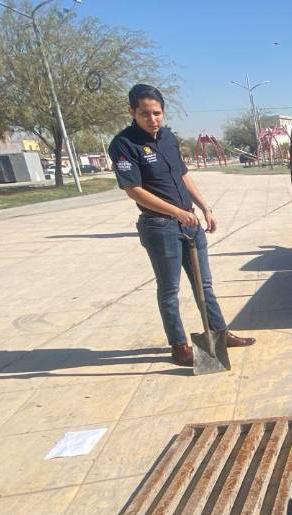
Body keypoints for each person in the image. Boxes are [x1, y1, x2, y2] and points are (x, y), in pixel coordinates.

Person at [108, 83, 254, 366]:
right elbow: (134, 190)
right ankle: (179, 346)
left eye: (157, 113)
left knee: (205, 285)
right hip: (160, 226)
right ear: (132, 112)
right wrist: (176, 212)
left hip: (190, 223)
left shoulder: (168, 138)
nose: (153, 119)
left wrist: (204, 207)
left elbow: (184, 175)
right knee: (169, 289)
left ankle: (219, 334)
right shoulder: (124, 144)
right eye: (145, 113)